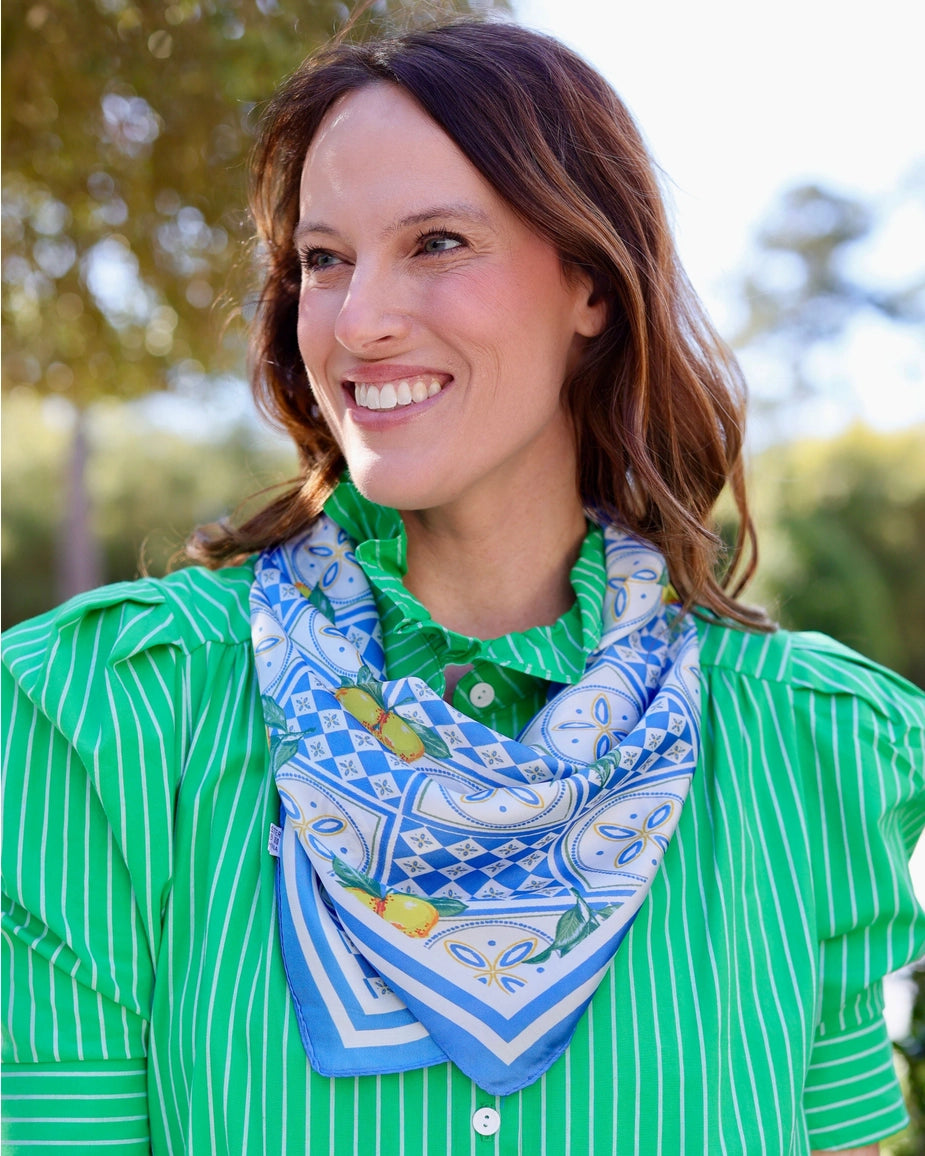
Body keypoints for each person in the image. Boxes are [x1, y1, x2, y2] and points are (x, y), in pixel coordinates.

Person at [2, 16, 923, 1156]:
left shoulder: (808, 749)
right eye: (323, 260)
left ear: (589, 282)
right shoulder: (109, 716)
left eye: (435, 242)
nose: (359, 320)